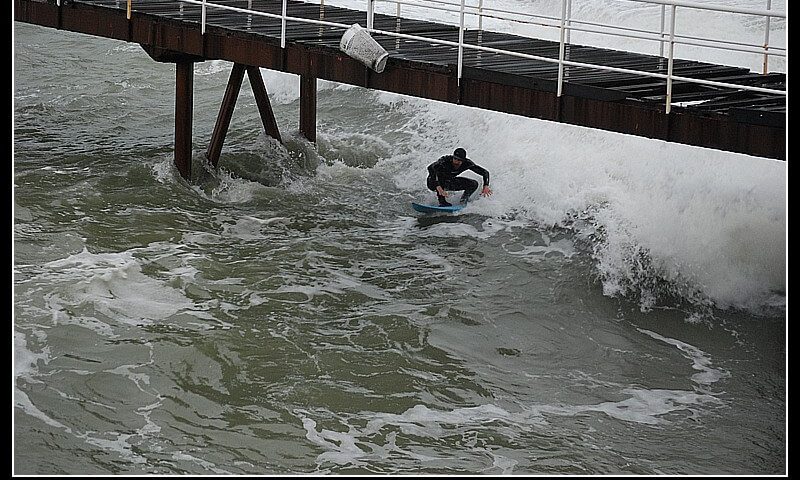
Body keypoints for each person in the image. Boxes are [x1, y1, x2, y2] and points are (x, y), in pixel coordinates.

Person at [426, 148, 492, 206]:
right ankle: (442, 202)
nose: (456, 162)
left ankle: (463, 201)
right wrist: (438, 186)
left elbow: (485, 172)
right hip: (433, 182)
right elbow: (430, 168)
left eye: (459, 160)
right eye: (455, 159)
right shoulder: (445, 160)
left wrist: (486, 185)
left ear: (463, 160)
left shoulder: (467, 163)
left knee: (473, 184)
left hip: (448, 182)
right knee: (441, 177)